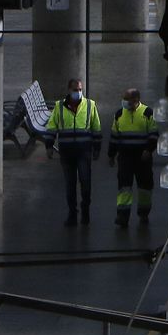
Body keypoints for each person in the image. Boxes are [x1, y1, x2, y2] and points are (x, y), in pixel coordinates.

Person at [45, 79, 102, 226]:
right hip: (67, 152)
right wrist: (49, 146)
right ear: (69, 90)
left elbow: (96, 128)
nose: (78, 92)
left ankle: (85, 211)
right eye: (75, 89)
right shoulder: (59, 107)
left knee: (85, 182)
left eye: (80, 89)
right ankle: (72, 213)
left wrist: (97, 148)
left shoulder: (90, 105)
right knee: (70, 184)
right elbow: (52, 127)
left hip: (84, 151)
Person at [109, 88, 159, 227]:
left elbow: (154, 134)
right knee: (124, 187)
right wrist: (111, 155)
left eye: (127, 99)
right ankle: (122, 216)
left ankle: (144, 213)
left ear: (136, 100)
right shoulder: (119, 114)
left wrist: (148, 150)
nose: (124, 102)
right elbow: (114, 136)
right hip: (125, 158)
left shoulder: (147, 113)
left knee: (145, 187)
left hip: (143, 158)